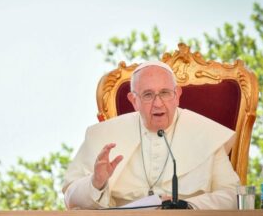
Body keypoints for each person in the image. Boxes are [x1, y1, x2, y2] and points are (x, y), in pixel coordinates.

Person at [63, 61, 240, 209]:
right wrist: (96, 183)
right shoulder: (102, 135)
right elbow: (70, 198)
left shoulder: (206, 134)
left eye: (165, 93)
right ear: (134, 101)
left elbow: (233, 195)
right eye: (148, 95)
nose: (158, 104)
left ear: (177, 95)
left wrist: (189, 206)